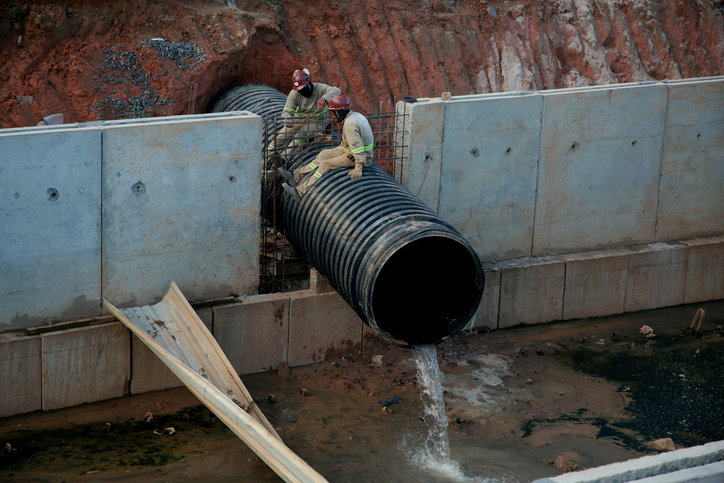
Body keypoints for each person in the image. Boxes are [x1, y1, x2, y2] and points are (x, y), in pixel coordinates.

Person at [278, 94, 374, 202]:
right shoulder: (355, 116)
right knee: (324, 154)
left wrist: (358, 167)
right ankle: (296, 176)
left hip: (356, 157)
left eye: (333, 112)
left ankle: (300, 192)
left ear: (339, 111)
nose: (333, 115)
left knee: (325, 164)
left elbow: (357, 146)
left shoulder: (349, 124)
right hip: (348, 149)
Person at [268, 68, 341, 157]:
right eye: (299, 89)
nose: (301, 91)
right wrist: (288, 119)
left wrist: (325, 98)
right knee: (280, 138)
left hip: (317, 121)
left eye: (303, 88)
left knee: (299, 136)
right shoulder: (294, 93)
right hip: (298, 120)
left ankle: (283, 159)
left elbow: (337, 90)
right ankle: (265, 161)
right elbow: (287, 110)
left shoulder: (320, 88)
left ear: (308, 82)